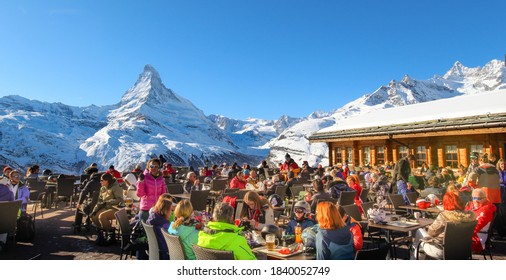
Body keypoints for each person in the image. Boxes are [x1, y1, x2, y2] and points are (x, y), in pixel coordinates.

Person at [411, 184, 476, 259]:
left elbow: (431, 232)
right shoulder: (470, 216)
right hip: (462, 249)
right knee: (420, 243)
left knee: (420, 232)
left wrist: (429, 227)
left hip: (442, 249)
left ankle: (414, 257)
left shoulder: (445, 216)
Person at [91, 173, 124, 245]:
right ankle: (102, 235)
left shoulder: (116, 187)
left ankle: (111, 235)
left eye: (102, 180)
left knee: (102, 216)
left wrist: (107, 202)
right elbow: (99, 201)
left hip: (116, 208)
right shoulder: (103, 188)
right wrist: (95, 210)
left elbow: (120, 200)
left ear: (107, 181)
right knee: (93, 216)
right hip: (106, 207)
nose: (101, 182)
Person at [465, 188, 497, 253]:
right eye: (474, 198)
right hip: (470, 234)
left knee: (451, 241)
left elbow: (477, 226)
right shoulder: (471, 206)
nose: (476, 201)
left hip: (477, 238)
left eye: (479, 199)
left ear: (485, 198)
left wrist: (462, 231)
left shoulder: (486, 209)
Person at [146, 194, 175, 260]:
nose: (171, 212)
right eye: (171, 210)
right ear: (165, 211)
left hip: (155, 250)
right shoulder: (164, 226)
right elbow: (174, 240)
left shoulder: (153, 217)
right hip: (166, 253)